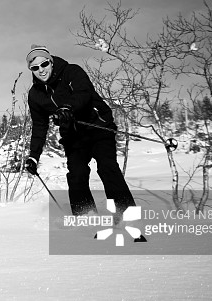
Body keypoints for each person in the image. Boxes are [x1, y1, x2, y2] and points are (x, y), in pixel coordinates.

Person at [23, 44, 138, 221]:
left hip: (97, 125)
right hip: (73, 134)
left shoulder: (71, 72)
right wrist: (33, 156)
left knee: (107, 166)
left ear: (51, 61)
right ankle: (85, 215)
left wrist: (68, 107)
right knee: (76, 172)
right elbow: (40, 126)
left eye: (44, 64)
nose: (41, 70)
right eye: (35, 67)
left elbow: (84, 93)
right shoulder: (35, 94)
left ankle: (126, 215)